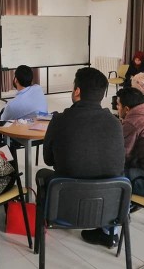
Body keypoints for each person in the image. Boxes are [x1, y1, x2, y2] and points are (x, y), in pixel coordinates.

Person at [39, 67, 125, 248]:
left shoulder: (60, 120)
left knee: (42, 175)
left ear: (77, 91)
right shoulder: (115, 123)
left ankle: (43, 227)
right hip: (108, 206)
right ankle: (109, 233)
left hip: (66, 207)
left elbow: (48, 160)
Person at [0, 65, 48, 144]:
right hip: (42, 132)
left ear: (15, 80)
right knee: (4, 112)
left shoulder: (13, 105)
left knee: (2, 122)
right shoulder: (38, 89)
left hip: (23, 134)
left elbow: (2, 122)